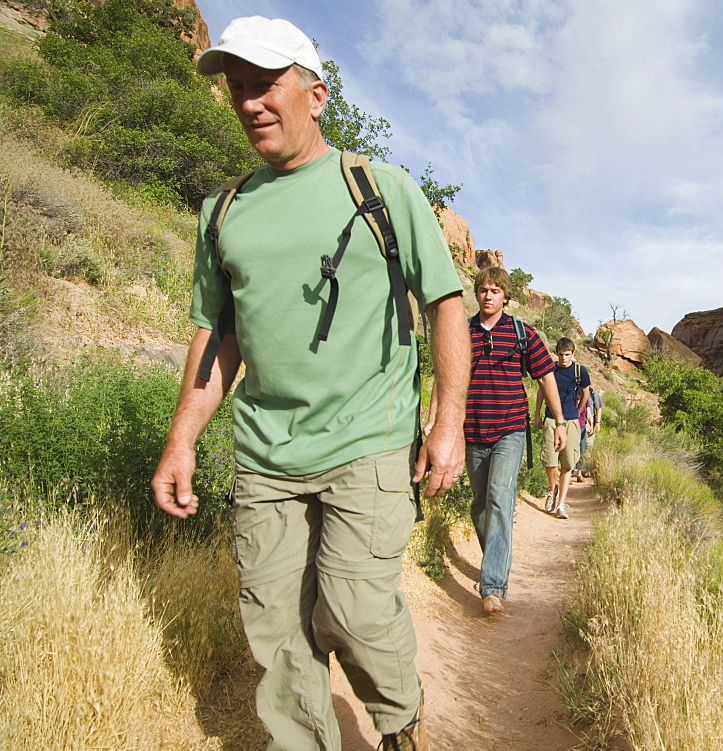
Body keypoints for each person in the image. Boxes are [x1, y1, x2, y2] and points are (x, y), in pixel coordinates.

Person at [150, 16, 469, 751]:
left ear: (316, 93)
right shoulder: (223, 212)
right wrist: (181, 442)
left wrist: (445, 422)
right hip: (266, 454)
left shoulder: (380, 188)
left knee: (352, 609)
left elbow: (445, 301)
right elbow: (215, 337)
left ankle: (398, 720)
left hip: (370, 441)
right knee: (278, 628)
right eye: (238, 90)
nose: (250, 103)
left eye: (266, 85)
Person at [462, 267, 566, 614]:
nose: (488, 295)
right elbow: (450, 378)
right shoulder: (463, 333)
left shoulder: (523, 334)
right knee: (480, 504)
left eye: (494, 290)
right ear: (476, 294)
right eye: (483, 290)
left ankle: (492, 585)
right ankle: (496, 559)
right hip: (472, 429)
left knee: (498, 498)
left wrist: (560, 420)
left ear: (505, 296)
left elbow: (545, 377)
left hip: (509, 429)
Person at [535, 338, 590, 519]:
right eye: (561, 355)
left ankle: (561, 504)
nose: (564, 358)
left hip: (571, 421)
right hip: (551, 418)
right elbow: (542, 390)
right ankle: (553, 490)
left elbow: (585, 393)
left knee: (567, 463)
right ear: (556, 354)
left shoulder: (579, 371)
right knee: (550, 460)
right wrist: (537, 413)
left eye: (567, 355)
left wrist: (577, 413)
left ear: (573, 354)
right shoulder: (550, 369)